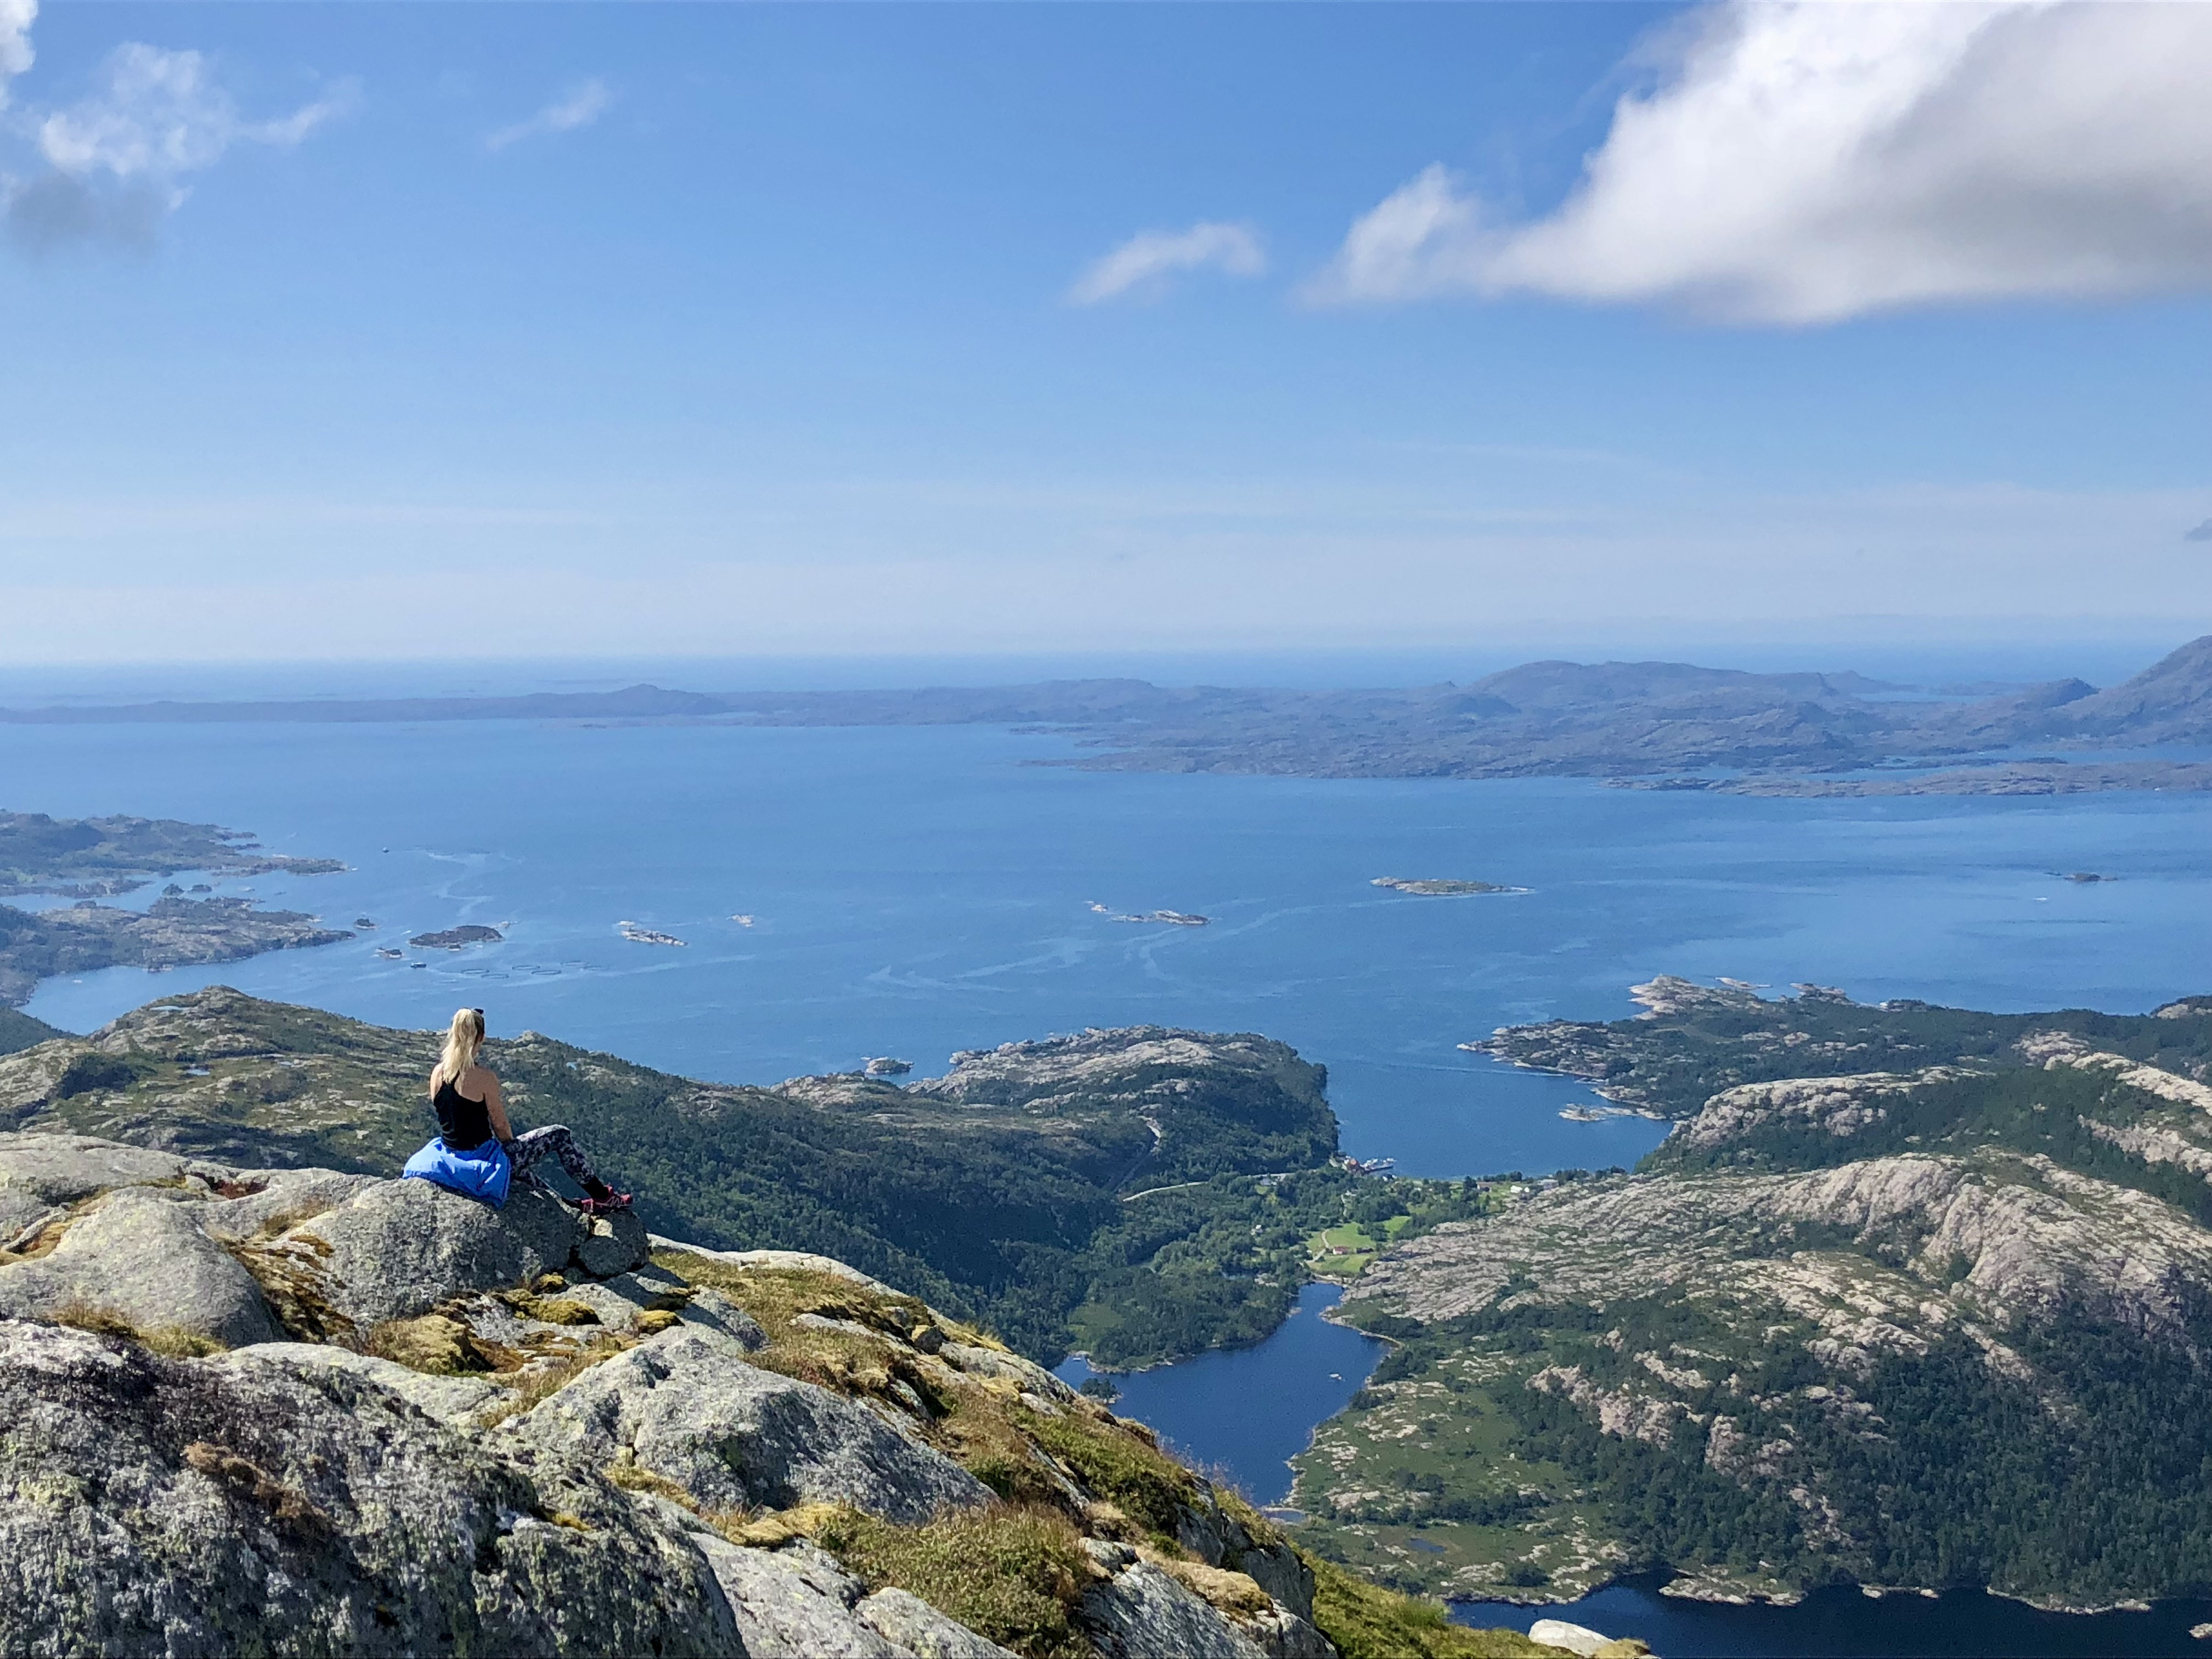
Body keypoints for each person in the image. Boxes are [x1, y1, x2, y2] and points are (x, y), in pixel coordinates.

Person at [401, 1007, 631, 1214]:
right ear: (481, 1037)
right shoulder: (484, 1078)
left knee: (524, 1175)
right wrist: (512, 1150)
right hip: (482, 1158)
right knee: (559, 1134)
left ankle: (570, 1208)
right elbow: (500, 1126)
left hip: (449, 1154)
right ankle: (603, 1197)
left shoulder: (437, 1073)